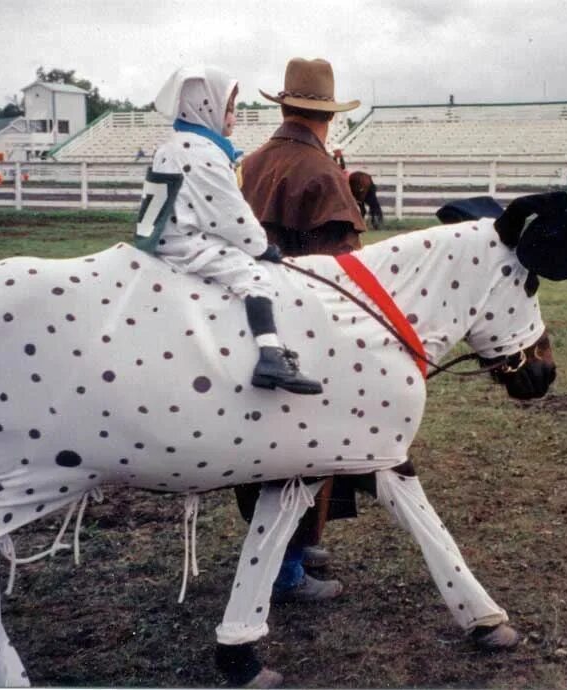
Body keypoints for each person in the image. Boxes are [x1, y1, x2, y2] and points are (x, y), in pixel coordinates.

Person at [237, 57, 367, 604]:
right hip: (305, 324)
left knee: (262, 448)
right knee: (309, 446)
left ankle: (301, 547)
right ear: (327, 116)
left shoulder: (252, 161)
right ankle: (289, 567)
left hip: (245, 319)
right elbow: (346, 269)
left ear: (286, 106)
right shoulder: (321, 174)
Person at [143, 64, 322, 395]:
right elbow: (229, 214)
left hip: (167, 234)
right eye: (229, 109)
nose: (233, 116)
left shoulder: (174, 145)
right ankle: (270, 355)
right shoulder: (202, 153)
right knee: (255, 277)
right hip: (186, 242)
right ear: (206, 108)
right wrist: (260, 247)